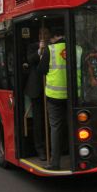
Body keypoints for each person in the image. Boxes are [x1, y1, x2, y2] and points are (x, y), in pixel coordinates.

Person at [38, 27, 67, 170]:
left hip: (54, 96)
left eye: (51, 38)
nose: (50, 40)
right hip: (74, 96)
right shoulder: (77, 47)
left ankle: (55, 162)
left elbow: (41, 70)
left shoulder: (51, 50)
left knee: (55, 128)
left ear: (55, 36)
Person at [24, 28, 50, 161]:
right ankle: (40, 149)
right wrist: (39, 51)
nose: (43, 36)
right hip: (36, 88)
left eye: (45, 33)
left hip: (52, 88)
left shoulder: (53, 46)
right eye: (41, 34)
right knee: (39, 122)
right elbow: (30, 60)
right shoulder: (32, 47)